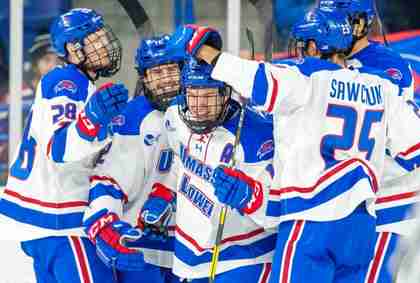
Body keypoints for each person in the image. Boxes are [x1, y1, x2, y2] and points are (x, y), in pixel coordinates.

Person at [165, 8, 420, 283]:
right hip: (361, 227)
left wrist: (202, 50)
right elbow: (413, 149)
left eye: (302, 45)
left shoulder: (303, 79)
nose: (299, 52)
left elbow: (252, 77)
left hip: (312, 220)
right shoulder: (380, 86)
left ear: (314, 46)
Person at [0, 8, 143, 283]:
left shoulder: (77, 83)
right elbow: (60, 150)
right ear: (73, 48)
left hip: (46, 221)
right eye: (95, 39)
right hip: (59, 218)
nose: (104, 44)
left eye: (103, 36)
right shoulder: (66, 83)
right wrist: (91, 121)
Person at [146, 55, 275, 282]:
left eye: (207, 96)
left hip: (243, 260)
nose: (199, 106)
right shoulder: (175, 115)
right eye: (193, 95)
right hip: (189, 260)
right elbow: (180, 159)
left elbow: (280, 206)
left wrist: (250, 196)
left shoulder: (256, 137)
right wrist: (166, 192)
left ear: (225, 94)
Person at [318, 1, 419, 281]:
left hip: (392, 199)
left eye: (339, 20)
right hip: (356, 202)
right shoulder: (327, 61)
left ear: (363, 23)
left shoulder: (388, 67)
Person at [83, 34, 184, 283]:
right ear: (145, 77)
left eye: (172, 70)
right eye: (157, 73)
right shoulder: (132, 118)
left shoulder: (201, 110)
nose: (167, 80)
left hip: (187, 247)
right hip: (141, 244)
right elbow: (110, 181)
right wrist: (104, 222)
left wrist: (168, 195)